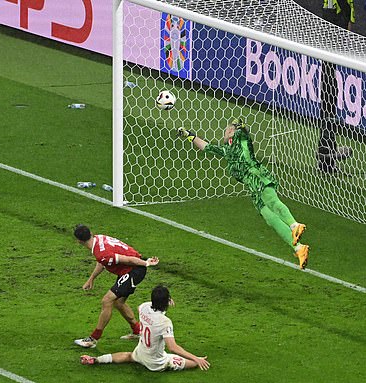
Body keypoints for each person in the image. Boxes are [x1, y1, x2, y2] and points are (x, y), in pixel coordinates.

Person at [178, 119, 309, 269]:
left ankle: (294, 225)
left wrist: (239, 126)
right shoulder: (227, 150)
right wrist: (190, 136)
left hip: (257, 175)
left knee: (272, 201)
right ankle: (299, 249)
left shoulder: (242, 139)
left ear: (231, 130)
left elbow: (245, 131)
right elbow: (207, 147)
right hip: (251, 186)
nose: (225, 132)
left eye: (228, 129)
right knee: (270, 218)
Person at [80, 285, 210, 373]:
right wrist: (197, 359)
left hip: (140, 352)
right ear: (166, 302)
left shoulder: (144, 307)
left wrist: (162, 302)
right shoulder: (165, 322)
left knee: (128, 356)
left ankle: (96, 359)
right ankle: (196, 360)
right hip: (156, 363)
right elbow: (173, 348)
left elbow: (148, 308)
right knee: (193, 363)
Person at [73, 224, 160, 348]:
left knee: (107, 300)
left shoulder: (101, 253)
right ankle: (138, 331)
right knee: (118, 302)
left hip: (134, 270)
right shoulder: (98, 239)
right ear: (91, 233)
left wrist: (146, 263)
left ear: (79, 241)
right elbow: (102, 261)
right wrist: (91, 279)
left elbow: (129, 260)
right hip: (129, 269)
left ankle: (93, 339)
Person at [318, 0, 355, 174]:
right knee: (329, 92)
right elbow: (344, 6)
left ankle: (327, 151)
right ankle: (326, 155)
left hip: (334, 19)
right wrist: (345, 19)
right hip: (333, 20)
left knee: (330, 90)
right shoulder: (336, 9)